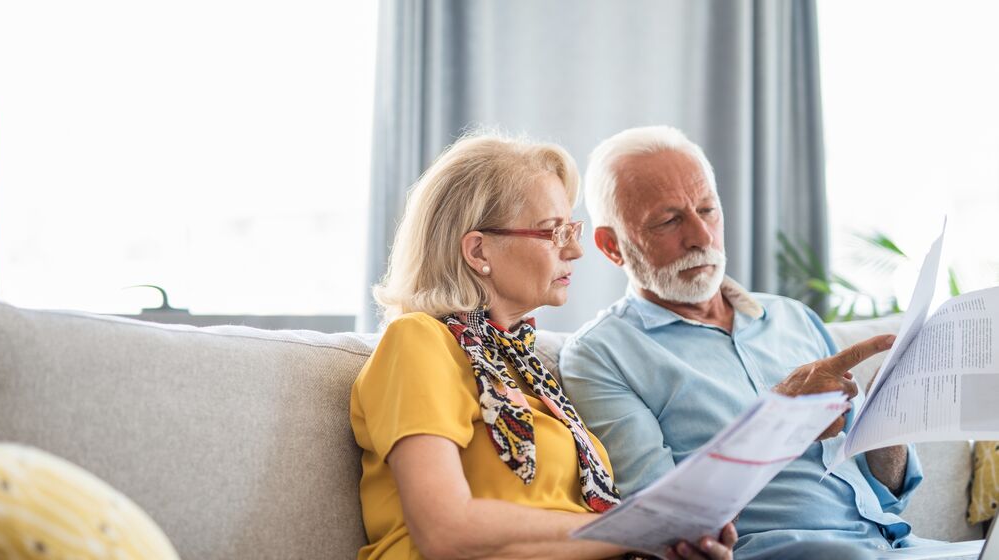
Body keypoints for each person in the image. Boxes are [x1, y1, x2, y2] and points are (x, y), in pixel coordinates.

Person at [351, 133, 737, 560]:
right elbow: (446, 531)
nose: (574, 250)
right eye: (554, 232)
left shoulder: (527, 370)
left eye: (571, 230)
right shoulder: (420, 342)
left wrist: (674, 542)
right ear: (478, 250)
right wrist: (645, 530)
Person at [561, 126, 929, 560]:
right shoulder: (600, 355)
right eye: (669, 220)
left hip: (896, 547)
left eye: (708, 209)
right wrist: (781, 414)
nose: (701, 236)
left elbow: (889, 494)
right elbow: (658, 519)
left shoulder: (792, 317)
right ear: (611, 247)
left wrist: (889, 424)